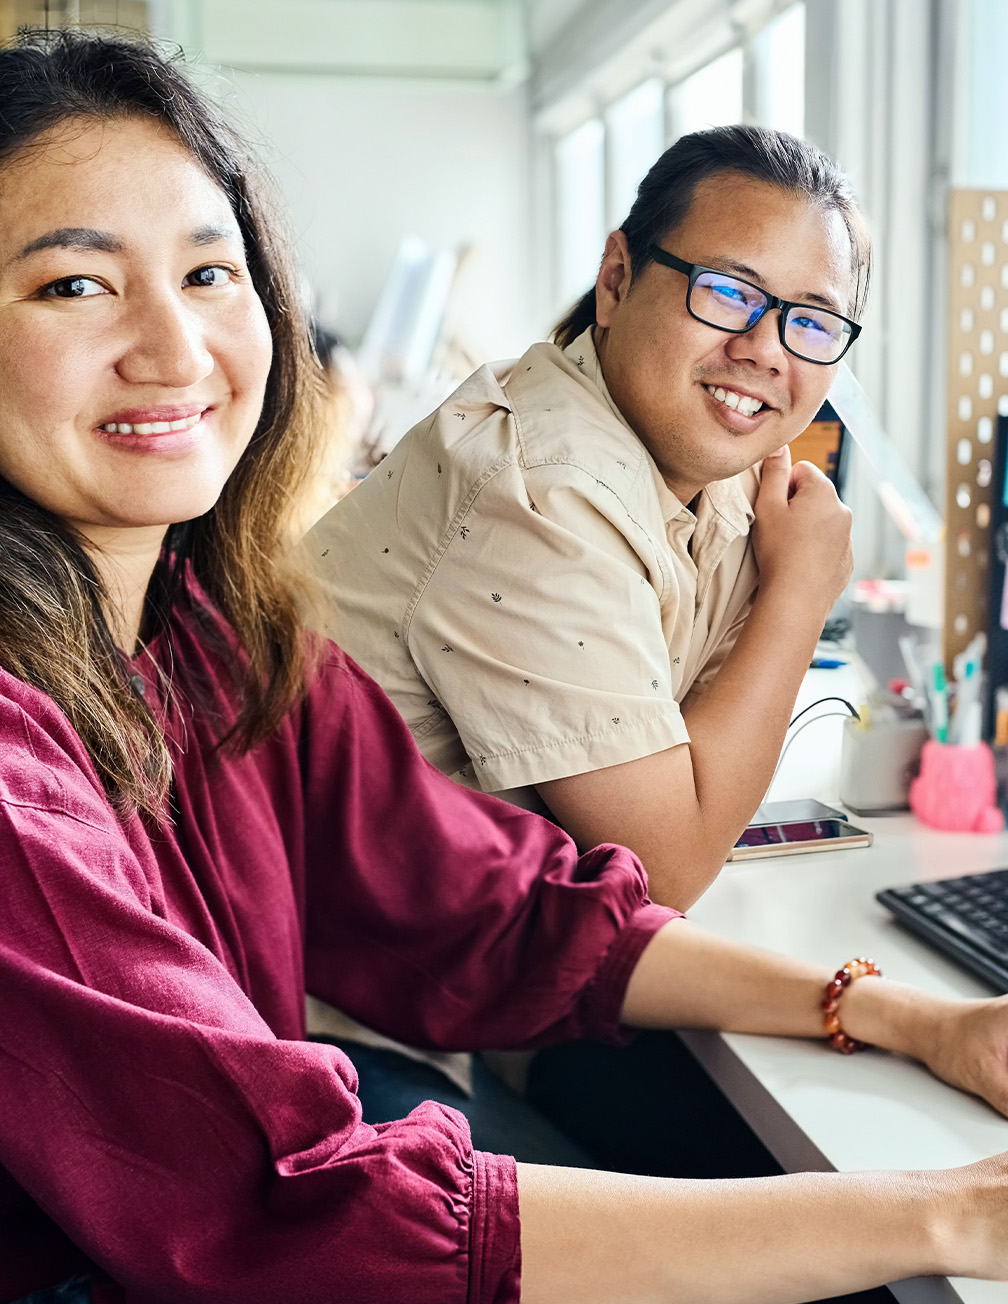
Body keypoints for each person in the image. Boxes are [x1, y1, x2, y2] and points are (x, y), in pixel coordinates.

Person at [6, 27, 1008, 1304]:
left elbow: (503, 906)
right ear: (618, 277)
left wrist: (922, 1017)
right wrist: (948, 1211)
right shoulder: (15, 759)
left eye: (210, 273)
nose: (176, 348)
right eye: (72, 286)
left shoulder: (203, 630)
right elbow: (296, 1199)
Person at [308, 123, 861, 912]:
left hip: (467, 958)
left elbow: (696, 757)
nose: (767, 350)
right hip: (328, 1005)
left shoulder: (719, 478)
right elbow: (663, 876)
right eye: (729, 292)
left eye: (811, 322)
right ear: (616, 279)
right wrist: (799, 595)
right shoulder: (539, 488)